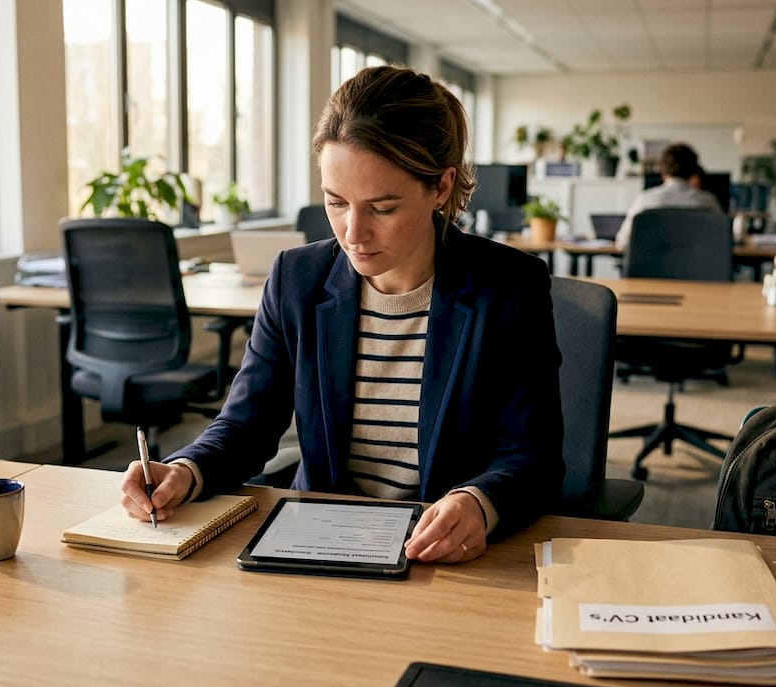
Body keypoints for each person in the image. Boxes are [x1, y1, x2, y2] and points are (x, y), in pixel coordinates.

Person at [120, 65, 565, 563]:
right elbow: (246, 425)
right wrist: (185, 470)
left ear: (441, 188)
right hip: (321, 542)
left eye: (383, 208)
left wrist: (479, 503)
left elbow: (534, 456)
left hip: (441, 553)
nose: (353, 233)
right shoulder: (296, 279)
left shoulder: (509, 287)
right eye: (336, 202)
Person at [615, 142, 723, 251]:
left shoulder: (644, 200)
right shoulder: (708, 202)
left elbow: (622, 243)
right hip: (700, 262)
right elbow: (722, 242)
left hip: (652, 262)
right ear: (693, 171)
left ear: (662, 171)